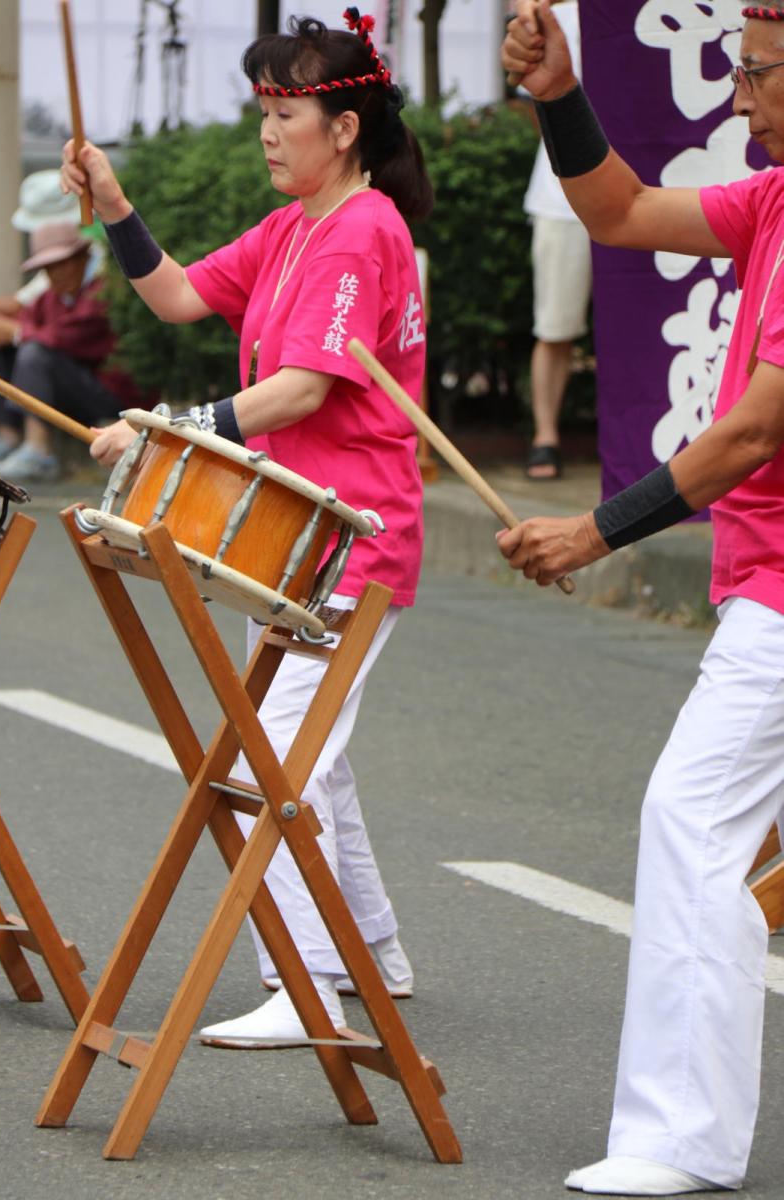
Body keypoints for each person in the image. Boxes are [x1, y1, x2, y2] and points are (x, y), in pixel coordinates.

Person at [62, 7, 433, 1043]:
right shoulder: (297, 224)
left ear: (344, 128)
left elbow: (305, 388)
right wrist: (118, 206)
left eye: (286, 110)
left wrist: (165, 433)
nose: (268, 130)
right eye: (261, 109)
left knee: (278, 759)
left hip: (348, 537)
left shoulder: (359, 228)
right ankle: (371, 953)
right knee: (310, 753)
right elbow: (179, 297)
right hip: (294, 536)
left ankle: (307, 979)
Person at [499, 1, 784, 1194]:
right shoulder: (769, 198)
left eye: (755, 69)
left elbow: (757, 428)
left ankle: (681, 1136)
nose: (734, 92)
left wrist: (594, 531)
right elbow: (616, 212)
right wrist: (561, 93)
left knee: (691, 824)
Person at [0, 223, 131, 482]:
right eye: (48, 268)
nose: (55, 274)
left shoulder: (102, 291)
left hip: (108, 393)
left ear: (82, 258)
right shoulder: (49, 297)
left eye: (61, 264)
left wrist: (16, 332)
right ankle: (6, 438)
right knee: (0, 348)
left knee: (33, 352)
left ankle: (38, 450)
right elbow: (29, 321)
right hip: (69, 388)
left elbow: (67, 337)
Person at [520, 0, 591, 481]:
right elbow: (530, 94)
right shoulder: (554, 13)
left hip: (654, 190)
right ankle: (545, 436)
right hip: (561, 195)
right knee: (555, 326)